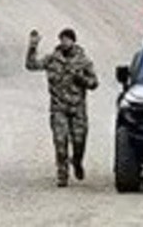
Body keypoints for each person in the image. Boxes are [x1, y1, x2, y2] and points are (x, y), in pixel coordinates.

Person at [26, 28, 98, 186]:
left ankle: (77, 162)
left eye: (68, 39)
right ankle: (62, 173)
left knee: (79, 142)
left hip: (77, 108)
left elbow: (94, 83)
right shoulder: (52, 59)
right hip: (59, 108)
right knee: (60, 142)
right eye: (62, 39)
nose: (65, 42)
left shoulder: (83, 61)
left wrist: (82, 79)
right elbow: (31, 65)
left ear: (73, 41)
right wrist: (32, 47)